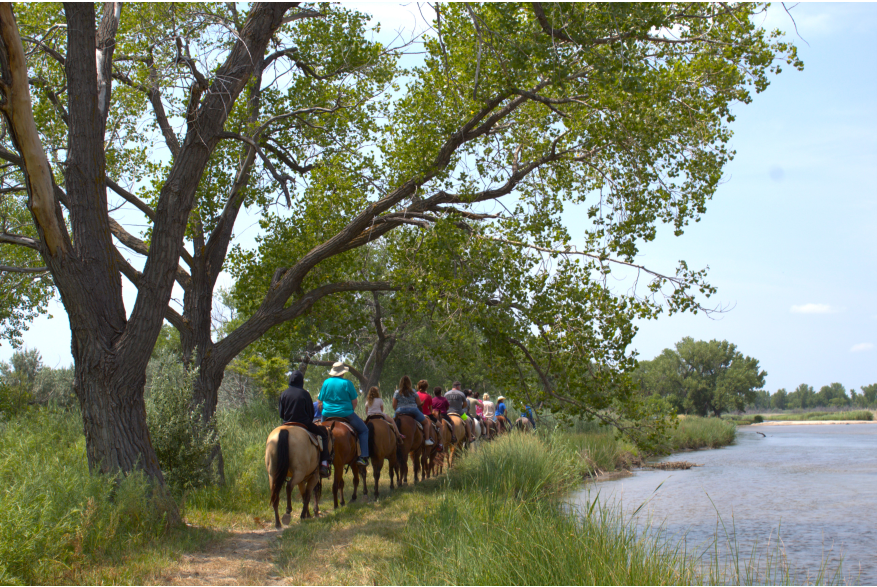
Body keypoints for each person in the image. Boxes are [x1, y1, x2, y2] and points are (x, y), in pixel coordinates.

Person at [278, 370, 330, 478]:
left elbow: (281, 414)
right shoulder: (305, 394)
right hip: (303, 423)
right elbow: (311, 414)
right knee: (324, 434)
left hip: (286, 423)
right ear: (301, 381)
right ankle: (324, 463)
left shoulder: (284, 393)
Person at [318, 362, 369, 466]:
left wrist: (324, 411)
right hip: (346, 413)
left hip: (327, 414)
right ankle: (363, 457)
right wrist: (350, 410)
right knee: (364, 430)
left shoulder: (326, 383)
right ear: (342, 373)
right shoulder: (347, 383)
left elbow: (320, 402)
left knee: (319, 434)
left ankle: (320, 460)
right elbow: (354, 401)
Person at [393, 375, 435, 446]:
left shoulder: (397, 392)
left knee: (392, 423)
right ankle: (427, 440)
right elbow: (418, 403)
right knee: (425, 423)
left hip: (400, 410)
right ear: (409, 383)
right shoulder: (413, 391)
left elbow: (394, 405)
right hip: (413, 410)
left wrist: (397, 410)